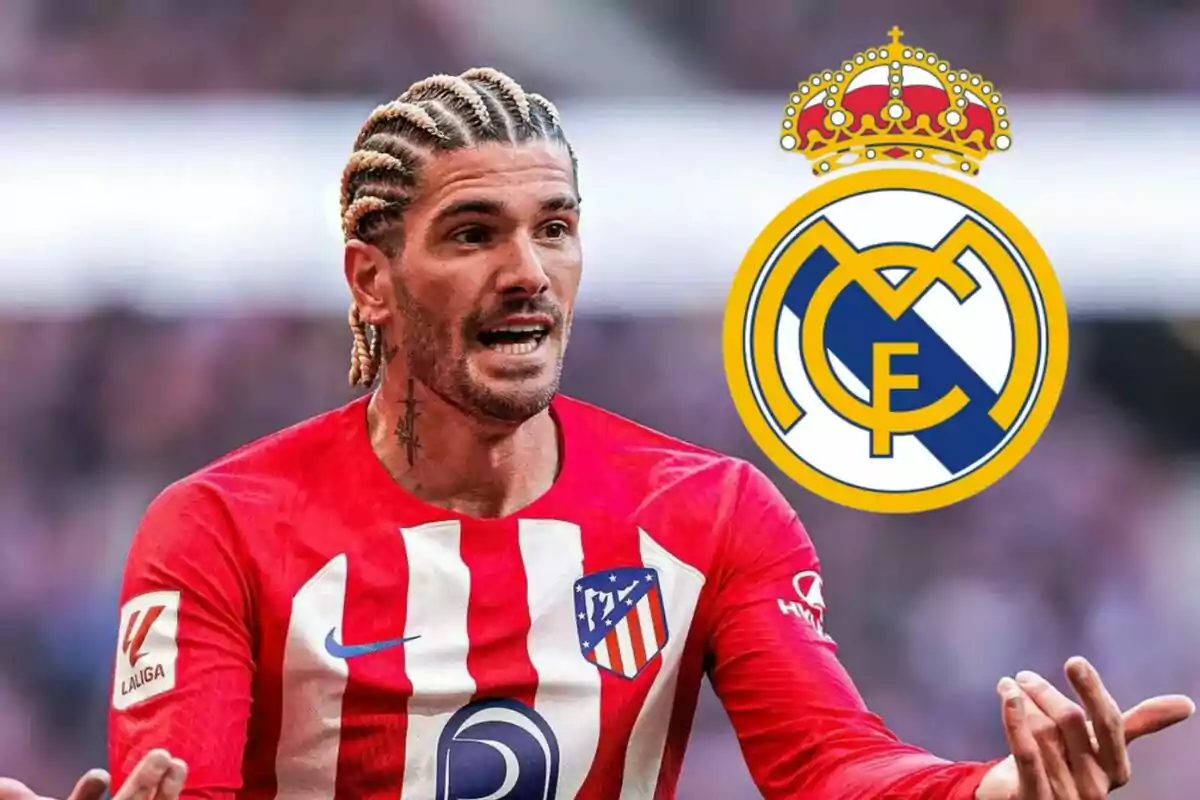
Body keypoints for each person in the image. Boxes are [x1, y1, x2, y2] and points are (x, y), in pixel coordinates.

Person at [17, 67, 1193, 800]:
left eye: (555, 227)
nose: (528, 272)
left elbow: (832, 764)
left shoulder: (707, 512)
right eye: (473, 232)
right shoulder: (223, 527)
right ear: (370, 280)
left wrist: (994, 786)